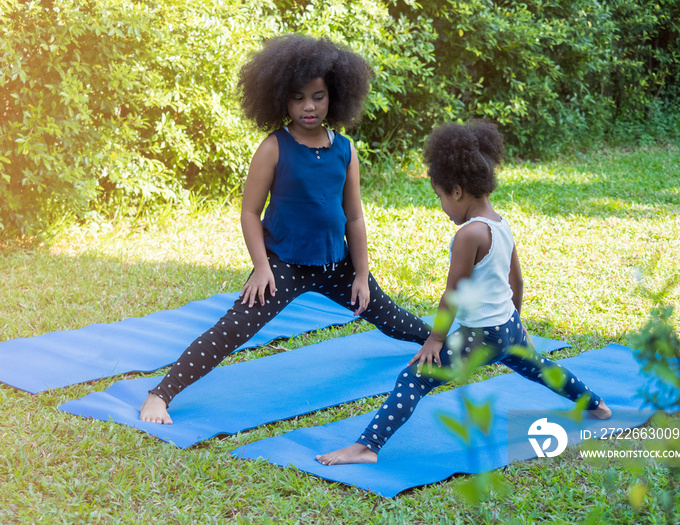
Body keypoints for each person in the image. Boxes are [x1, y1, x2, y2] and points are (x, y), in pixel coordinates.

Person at [139, 34, 431, 424]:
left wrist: (361, 274)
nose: (309, 106)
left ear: (335, 96)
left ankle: (437, 344)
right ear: (281, 98)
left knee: (391, 316)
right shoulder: (274, 147)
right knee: (233, 329)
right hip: (283, 266)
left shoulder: (345, 149)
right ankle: (160, 394)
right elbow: (249, 212)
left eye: (318, 96)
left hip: (336, 265)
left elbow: (355, 217)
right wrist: (261, 267)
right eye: (298, 98)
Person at [316, 121, 612, 465]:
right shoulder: (501, 222)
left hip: (481, 336)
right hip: (507, 328)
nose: (442, 205)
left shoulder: (469, 235)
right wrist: (517, 320)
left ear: (457, 191)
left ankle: (367, 447)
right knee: (541, 368)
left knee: (413, 379)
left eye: (440, 197)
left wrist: (435, 341)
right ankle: (597, 405)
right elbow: (516, 280)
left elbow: (452, 294)